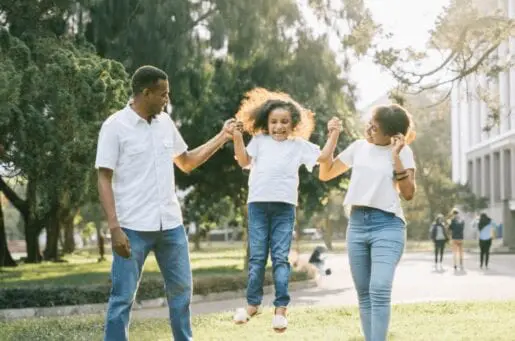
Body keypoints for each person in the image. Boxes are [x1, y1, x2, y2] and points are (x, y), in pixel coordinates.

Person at [95, 65, 235, 341]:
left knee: (182, 293)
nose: (166, 99)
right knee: (122, 298)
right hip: (132, 228)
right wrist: (114, 228)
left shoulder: (165, 124)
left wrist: (223, 136)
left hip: (170, 225)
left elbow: (187, 162)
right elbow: (103, 178)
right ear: (145, 93)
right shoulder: (115, 127)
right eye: (163, 94)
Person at [231, 88, 342, 332]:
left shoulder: (298, 145)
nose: (279, 126)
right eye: (274, 122)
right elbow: (243, 161)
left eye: (284, 122)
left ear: (293, 124)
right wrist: (237, 137)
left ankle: (280, 310)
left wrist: (333, 134)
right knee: (257, 258)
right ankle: (252, 305)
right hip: (258, 206)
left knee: (280, 258)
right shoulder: (259, 141)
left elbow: (324, 157)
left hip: (284, 208)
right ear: (265, 123)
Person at [318, 104, 417, 341]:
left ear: (392, 135)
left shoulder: (403, 152)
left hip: (388, 225)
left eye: (375, 128)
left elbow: (409, 193)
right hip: (358, 224)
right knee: (364, 294)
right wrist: (332, 136)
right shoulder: (359, 147)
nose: (369, 129)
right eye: (370, 123)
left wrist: (396, 158)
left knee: (379, 289)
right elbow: (325, 173)